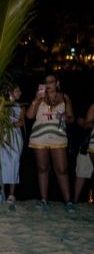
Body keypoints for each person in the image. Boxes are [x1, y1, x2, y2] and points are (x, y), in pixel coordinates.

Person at [27, 74, 74, 211]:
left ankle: (68, 201)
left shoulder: (65, 97)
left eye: (51, 82)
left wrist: (66, 117)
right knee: (42, 168)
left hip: (58, 136)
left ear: (57, 83)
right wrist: (36, 99)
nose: (48, 85)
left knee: (62, 169)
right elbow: (29, 116)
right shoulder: (40, 96)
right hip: (39, 136)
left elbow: (72, 118)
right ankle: (43, 200)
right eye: (46, 82)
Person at [0, 85, 25, 210]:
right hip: (3, 135)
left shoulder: (20, 106)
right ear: (10, 92)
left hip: (15, 135)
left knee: (14, 162)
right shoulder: (2, 105)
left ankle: (12, 194)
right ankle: (2, 191)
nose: (20, 92)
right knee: (2, 161)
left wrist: (10, 124)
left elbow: (21, 122)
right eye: (17, 90)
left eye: (19, 90)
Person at [73, 101, 94, 203]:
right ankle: (75, 200)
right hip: (87, 142)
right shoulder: (88, 104)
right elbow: (81, 122)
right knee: (81, 173)